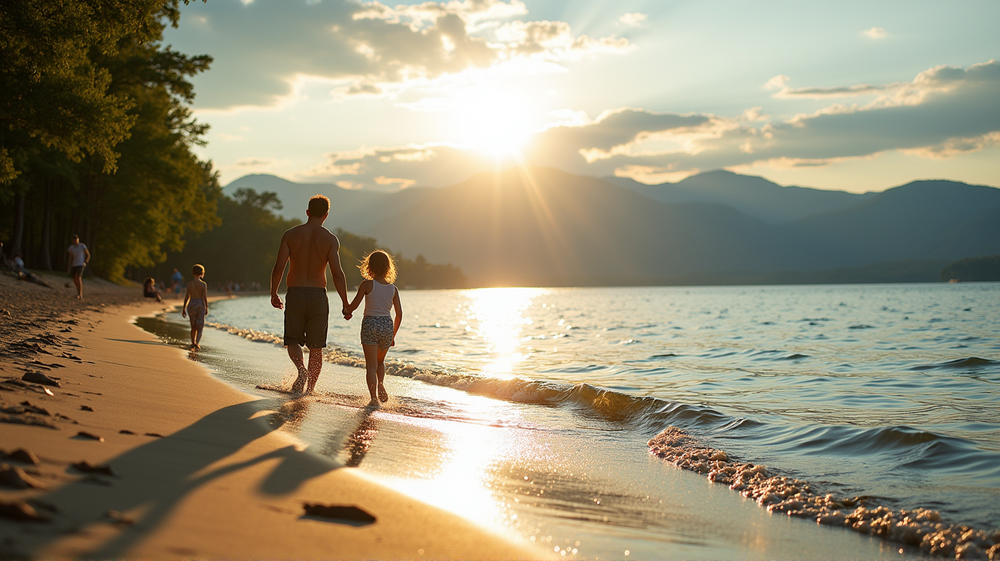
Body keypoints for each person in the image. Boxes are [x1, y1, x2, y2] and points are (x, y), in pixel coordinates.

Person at [270, 195, 350, 394]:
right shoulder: (330, 239)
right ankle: (310, 391)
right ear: (326, 215)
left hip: (295, 293)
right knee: (316, 347)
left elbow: (279, 267)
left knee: (293, 340)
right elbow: (337, 274)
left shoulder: (290, 235)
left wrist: (273, 292)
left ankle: (301, 371)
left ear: (307, 212)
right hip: (318, 296)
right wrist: (345, 303)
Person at [344, 250, 403, 407]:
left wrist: (346, 310)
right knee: (380, 362)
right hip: (386, 325)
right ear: (388, 268)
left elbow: (353, 307)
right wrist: (393, 336)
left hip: (370, 323)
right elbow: (399, 314)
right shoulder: (393, 289)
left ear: (370, 266)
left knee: (371, 365)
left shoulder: (367, 285)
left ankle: (373, 399)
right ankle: (381, 384)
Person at [181, 264, 209, 350]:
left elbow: (187, 297)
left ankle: (193, 342)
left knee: (193, 326)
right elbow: (204, 297)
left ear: (193, 273)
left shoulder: (190, 284)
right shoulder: (203, 284)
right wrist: (206, 307)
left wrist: (184, 308)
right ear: (202, 273)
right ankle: (197, 342)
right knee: (199, 326)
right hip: (200, 304)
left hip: (192, 303)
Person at [66, 235, 90, 299]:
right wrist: (69, 264)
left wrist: (85, 262)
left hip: (81, 264)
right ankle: (78, 290)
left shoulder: (82, 246)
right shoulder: (71, 248)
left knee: (78, 277)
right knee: (74, 280)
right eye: (74, 239)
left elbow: (88, 254)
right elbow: (70, 257)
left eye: (76, 239)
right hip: (74, 264)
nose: (75, 241)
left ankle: (80, 294)